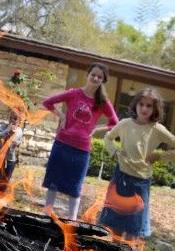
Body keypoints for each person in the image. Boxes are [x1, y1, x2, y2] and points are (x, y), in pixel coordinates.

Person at [98, 88, 175, 238]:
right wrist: (114, 152)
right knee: (116, 223)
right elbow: (108, 137)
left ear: (155, 109)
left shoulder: (157, 129)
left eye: (149, 106)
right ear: (135, 105)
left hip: (141, 182)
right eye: (141, 104)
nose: (144, 108)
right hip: (121, 177)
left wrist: (159, 156)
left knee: (133, 226)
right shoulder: (125, 124)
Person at [42, 62, 119, 220]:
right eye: (93, 75)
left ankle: (72, 221)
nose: (95, 78)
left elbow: (115, 123)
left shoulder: (103, 102)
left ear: (102, 81)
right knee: (53, 183)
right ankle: (46, 214)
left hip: (82, 150)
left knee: (75, 188)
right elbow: (47, 102)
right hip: (62, 144)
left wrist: (97, 128)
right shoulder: (73, 93)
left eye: (99, 77)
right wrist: (61, 115)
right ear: (87, 75)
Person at [0, 109, 24, 182]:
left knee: (6, 179)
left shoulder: (19, 130)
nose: (12, 120)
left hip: (10, 157)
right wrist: (7, 130)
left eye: (15, 118)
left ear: (19, 120)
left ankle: (2, 192)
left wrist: (12, 133)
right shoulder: (4, 126)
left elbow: (16, 142)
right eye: (10, 118)